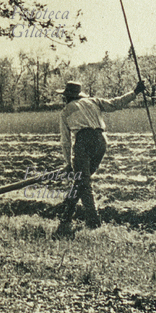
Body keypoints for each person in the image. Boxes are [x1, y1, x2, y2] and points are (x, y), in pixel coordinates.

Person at [54, 80, 146, 238]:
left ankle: (93, 222)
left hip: (83, 141)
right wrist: (135, 92)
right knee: (82, 181)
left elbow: (66, 141)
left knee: (84, 183)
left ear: (67, 97)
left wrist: (69, 163)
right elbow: (116, 103)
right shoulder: (93, 101)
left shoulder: (65, 112)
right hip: (101, 141)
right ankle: (66, 214)